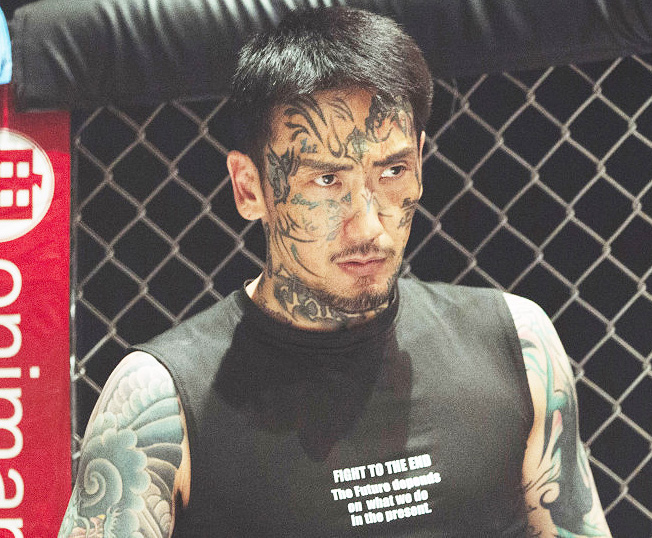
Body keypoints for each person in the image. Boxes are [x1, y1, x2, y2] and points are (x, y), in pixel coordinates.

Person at [59, 7, 612, 537]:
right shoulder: (159, 401)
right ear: (249, 188)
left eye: (392, 171)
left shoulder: (518, 345)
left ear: (420, 163)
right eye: (326, 181)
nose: (368, 225)